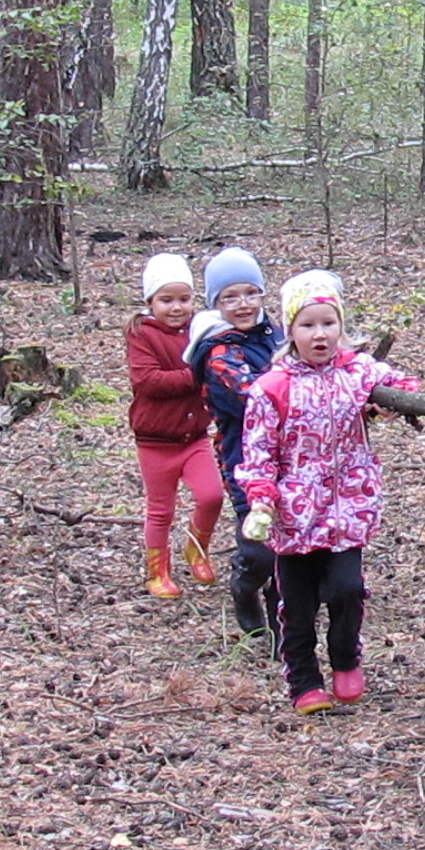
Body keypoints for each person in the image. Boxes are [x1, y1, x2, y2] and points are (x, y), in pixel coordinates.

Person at [237, 269, 418, 715]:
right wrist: (262, 499)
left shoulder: (358, 370)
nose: (319, 335)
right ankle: (303, 682)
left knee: (346, 589)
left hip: (348, 507)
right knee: (296, 605)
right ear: (290, 330)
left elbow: (403, 385)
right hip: (294, 515)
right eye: (308, 325)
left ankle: (345, 657)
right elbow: (258, 452)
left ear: (340, 325)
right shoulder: (272, 387)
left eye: (328, 323)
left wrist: (384, 404)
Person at [184, 248, 283, 638]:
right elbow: (254, 398)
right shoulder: (220, 353)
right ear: (216, 303)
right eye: (230, 297)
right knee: (259, 548)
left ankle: (283, 631)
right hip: (245, 461)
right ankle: (244, 584)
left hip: (291, 457)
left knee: (288, 548)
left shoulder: (277, 335)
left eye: (250, 293)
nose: (243, 304)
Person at [126, 253, 224, 599]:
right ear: (150, 301)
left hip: (194, 436)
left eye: (184, 299)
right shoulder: (142, 333)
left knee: (212, 495)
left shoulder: (201, 329)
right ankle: (158, 571)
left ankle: (197, 548)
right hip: (155, 440)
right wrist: (196, 375)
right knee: (160, 509)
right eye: (166, 300)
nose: (176, 307)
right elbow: (148, 380)